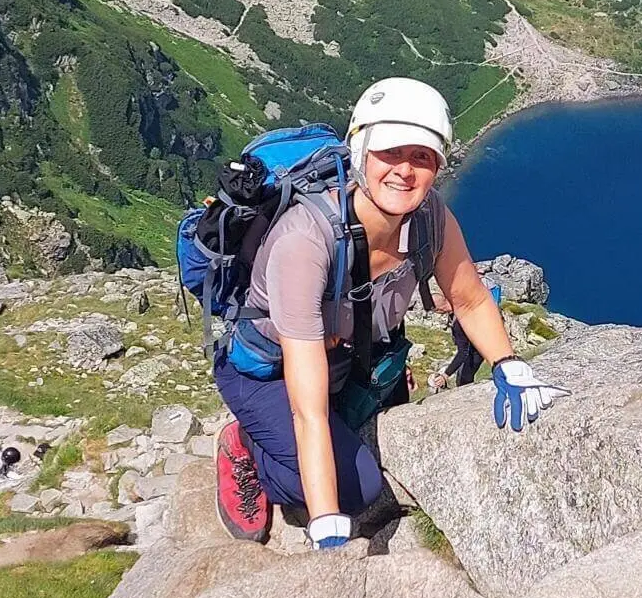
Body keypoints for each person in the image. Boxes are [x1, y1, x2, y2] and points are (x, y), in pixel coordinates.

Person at [213, 77, 568, 550]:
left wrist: (509, 364)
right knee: (355, 488)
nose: (405, 170)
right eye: (390, 153)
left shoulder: (429, 219)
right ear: (361, 154)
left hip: (349, 358)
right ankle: (243, 445)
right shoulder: (307, 239)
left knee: (370, 456)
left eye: (422, 157)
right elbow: (308, 410)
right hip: (266, 370)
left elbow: (471, 298)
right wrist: (326, 522)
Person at [430, 276, 503, 391]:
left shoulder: (458, 323)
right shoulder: (461, 305)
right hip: (486, 341)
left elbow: (463, 352)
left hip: (477, 350)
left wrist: (445, 375)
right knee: (462, 377)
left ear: (439, 310)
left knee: (464, 380)